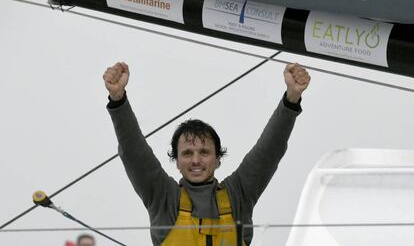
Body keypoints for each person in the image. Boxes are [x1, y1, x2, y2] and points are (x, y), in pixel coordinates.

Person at [103, 62, 310, 246]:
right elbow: (134, 152)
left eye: (204, 152)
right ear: (176, 161)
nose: (195, 160)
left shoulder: (238, 194)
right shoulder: (164, 198)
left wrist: (292, 98)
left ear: (218, 159)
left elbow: (269, 151)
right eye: (187, 153)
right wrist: (118, 99)